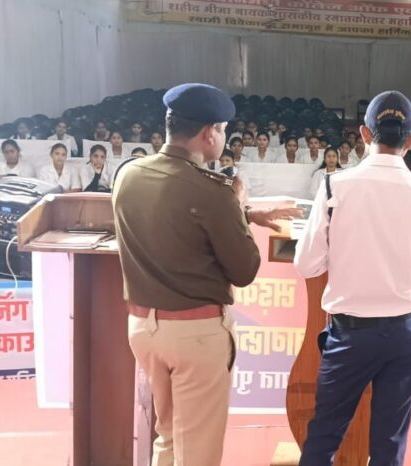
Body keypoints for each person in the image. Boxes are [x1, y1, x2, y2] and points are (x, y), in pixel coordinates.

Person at [112, 83, 300, 466]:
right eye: (223, 130)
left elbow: (174, 214)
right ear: (209, 132)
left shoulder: (128, 174)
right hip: (194, 335)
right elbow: (244, 270)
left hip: (143, 328)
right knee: (197, 450)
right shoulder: (216, 192)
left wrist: (243, 213)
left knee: (167, 436)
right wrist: (238, 203)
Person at [294, 90, 411, 466]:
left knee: (323, 437)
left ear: (364, 134)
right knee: (389, 445)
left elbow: (307, 264)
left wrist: (347, 254)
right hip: (406, 335)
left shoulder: (335, 186)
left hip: (350, 335)